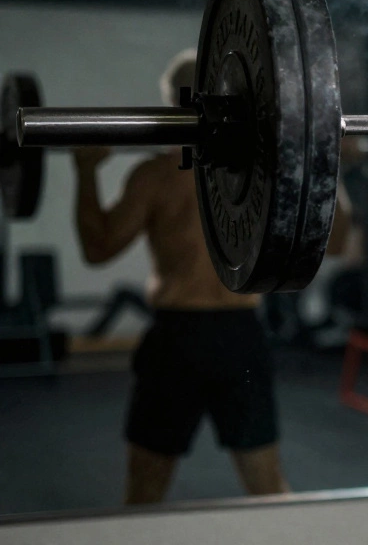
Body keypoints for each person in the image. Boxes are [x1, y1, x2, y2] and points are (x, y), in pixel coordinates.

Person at [73, 48, 351, 505]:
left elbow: (96, 248)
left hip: (202, 337)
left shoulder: (163, 176)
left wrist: (324, 153)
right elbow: (99, 250)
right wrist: (320, 153)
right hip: (207, 337)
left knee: (224, 487)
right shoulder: (180, 175)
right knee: (239, 486)